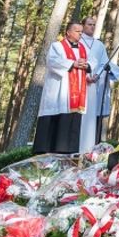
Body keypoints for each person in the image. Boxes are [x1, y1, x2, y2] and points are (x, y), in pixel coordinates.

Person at [33, 21, 91, 154]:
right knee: (55, 118)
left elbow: (91, 64)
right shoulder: (57, 46)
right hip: (59, 90)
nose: (80, 34)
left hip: (77, 95)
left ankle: (68, 152)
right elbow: (52, 62)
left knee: (72, 122)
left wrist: (86, 66)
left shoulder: (83, 49)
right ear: (68, 32)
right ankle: (46, 152)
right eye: (77, 31)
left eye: (81, 31)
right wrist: (73, 63)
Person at [78, 16, 115, 152]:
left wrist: (96, 75)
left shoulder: (99, 45)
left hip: (94, 84)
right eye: (89, 24)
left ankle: (89, 148)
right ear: (82, 26)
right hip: (78, 82)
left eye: (94, 25)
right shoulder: (78, 41)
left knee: (91, 116)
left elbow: (104, 63)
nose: (92, 27)